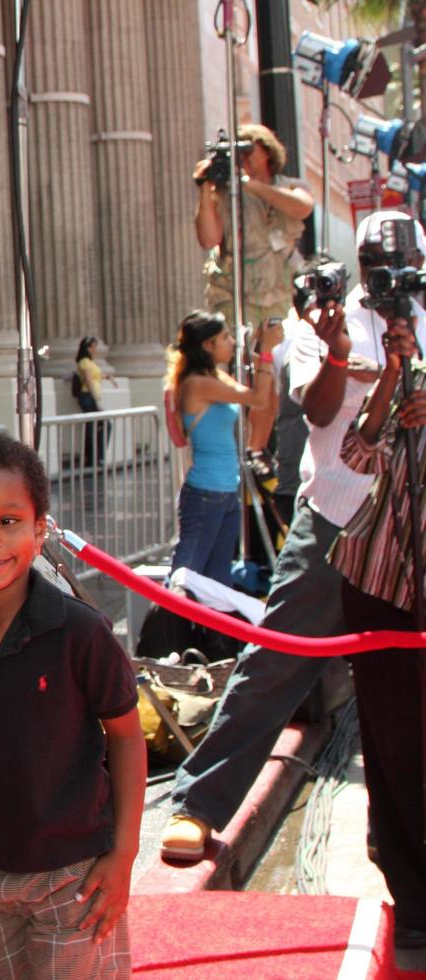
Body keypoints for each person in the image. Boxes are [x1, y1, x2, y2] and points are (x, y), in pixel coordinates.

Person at [160, 211, 426, 860]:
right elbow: (319, 407)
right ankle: (199, 802)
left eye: (406, 270)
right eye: (377, 271)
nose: (391, 283)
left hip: (416, 513)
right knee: (277, 656)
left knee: (404, 684)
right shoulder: (328, 315)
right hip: (338, 512)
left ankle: (398, 838)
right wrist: (338, 348)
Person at [0, 431, 144, 979]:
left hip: (72, 877)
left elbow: (125, 735)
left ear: (40, 528)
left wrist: (122, 856)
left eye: (8, 521)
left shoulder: (79, 631)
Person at [329, 316, 426, 971]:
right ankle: (414, 904)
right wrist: (393, 379)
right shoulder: (395, 382)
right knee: (395, 749)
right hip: (384, 587)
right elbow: (356, 456)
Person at [194, 123, 313, 455]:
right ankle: (233, 448)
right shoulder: (223, 193)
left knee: (269, 373)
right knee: (232, 370)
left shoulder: (286, 186)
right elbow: (208, 238)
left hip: (274, 297)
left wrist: (253, 187)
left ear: (267, 152)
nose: (242, 159)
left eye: (248, 151)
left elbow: (302, 207)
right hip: (233, 295)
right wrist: (207, 189)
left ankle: (257, 449)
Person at [165, 311, 281, 584]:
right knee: (185, 576)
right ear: (208, 345)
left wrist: (259, 346)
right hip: (206, 492)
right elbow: (258, 398)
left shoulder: (212, 377)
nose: (231, 342)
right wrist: (265, 350)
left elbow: (254, 393)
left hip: (225, 490)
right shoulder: (198, 384)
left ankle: (206, 628)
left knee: (217, 580)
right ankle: (167, 626)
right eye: (225, 337)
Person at [75, 336, 111, 467]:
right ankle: (94, 457)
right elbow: (89, 380)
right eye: (93, 347)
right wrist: (96, 399)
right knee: (95, 426)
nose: (95, 350)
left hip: (92, 396)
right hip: (88, 396)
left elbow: (96, 376)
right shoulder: (84, 362)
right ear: (88, 348)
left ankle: (96, 456)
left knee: (96, 426)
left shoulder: (90, 362)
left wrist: (108, 377)